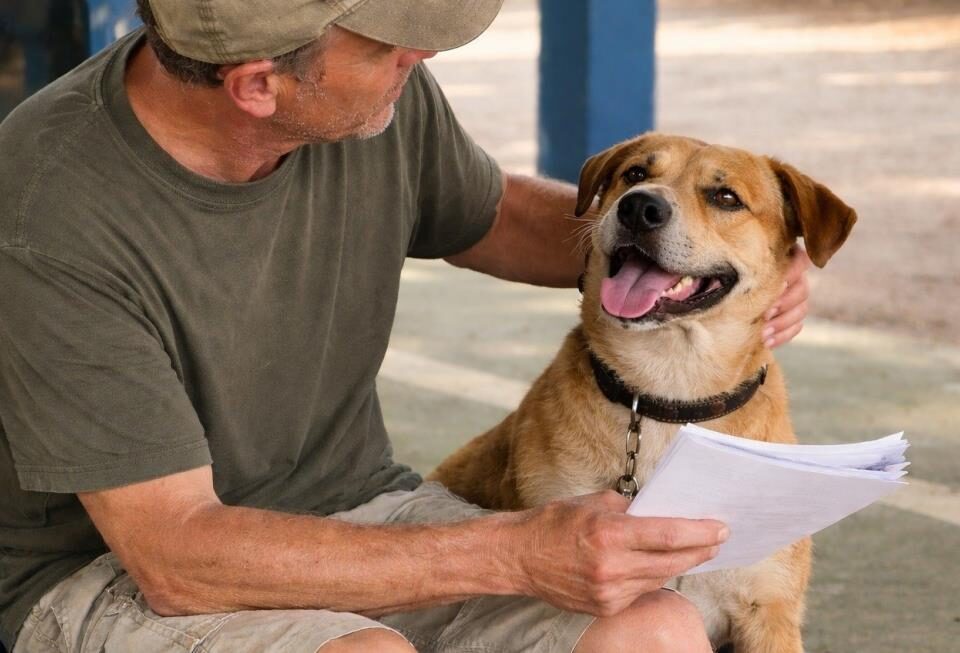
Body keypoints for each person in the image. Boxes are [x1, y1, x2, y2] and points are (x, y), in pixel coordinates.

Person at [0, 1, 812, 651]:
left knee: (654, 629)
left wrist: (713, 261)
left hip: (355, 505)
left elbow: (493, 215)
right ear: (257, 85)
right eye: (386, 45)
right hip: (115, 567)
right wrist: (516, 552)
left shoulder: (369, 105)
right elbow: (175, 554)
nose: (415, 57)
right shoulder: (47, 212)